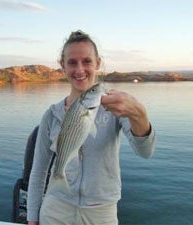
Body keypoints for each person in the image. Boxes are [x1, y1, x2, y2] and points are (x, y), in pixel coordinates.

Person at [27, 30, 156, 225]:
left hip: (101, 212)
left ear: (97, 63)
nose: (80, 70)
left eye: (87, 61)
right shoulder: (51, 115)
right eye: (72, 62)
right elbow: (38, 172)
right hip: (55, 210)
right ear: (63, 65)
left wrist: (139, 113)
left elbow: (145, 152)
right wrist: (32, 219)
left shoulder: (116, 106)